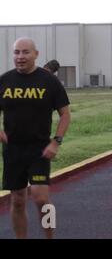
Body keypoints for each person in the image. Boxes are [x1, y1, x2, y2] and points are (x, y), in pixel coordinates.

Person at [0, 37, 71, 239]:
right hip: (13, 150)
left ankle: (49, 236)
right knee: (18, 200)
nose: (20, 57)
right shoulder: (4, 81)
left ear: (36, 54)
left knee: (41, 198)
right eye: (16, 52)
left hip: (39, 150)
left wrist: (56, 142)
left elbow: (65, 114)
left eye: (25, 52)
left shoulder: (49, 81)